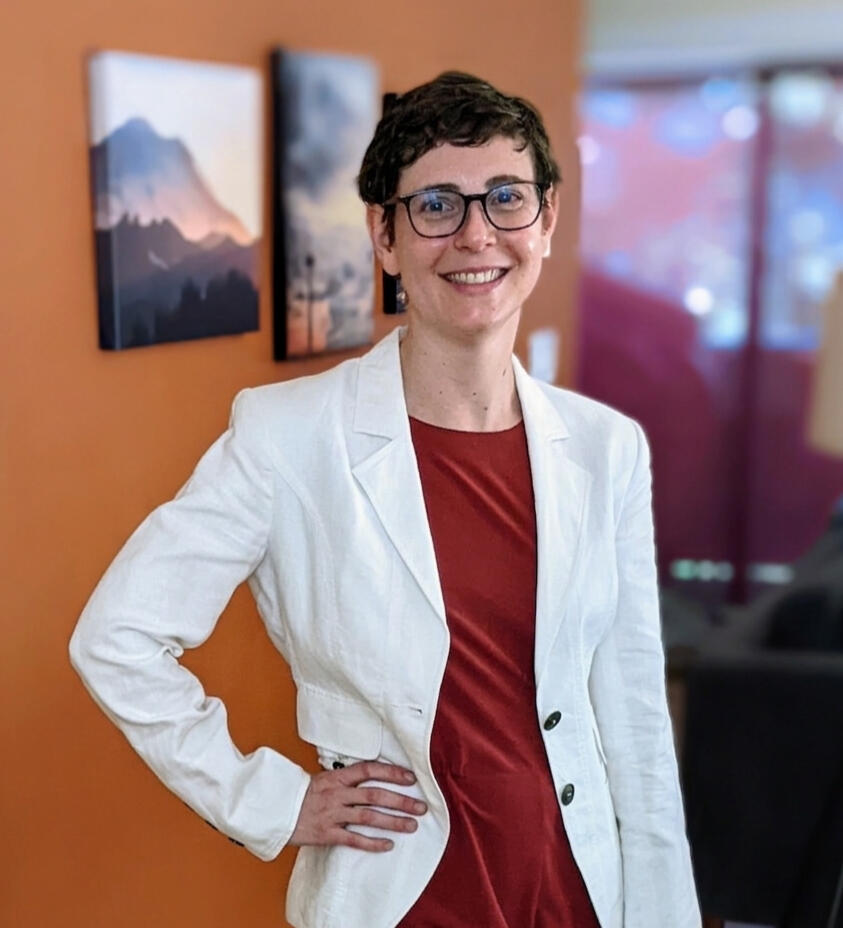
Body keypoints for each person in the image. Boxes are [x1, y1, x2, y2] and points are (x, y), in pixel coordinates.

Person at [70, 72, 701, 928]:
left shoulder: (605, 447)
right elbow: (117, 639)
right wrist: (270, 802)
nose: (475, 234)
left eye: (505, 199)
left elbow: (632, 721)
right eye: (436, 204)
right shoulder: (285, 435)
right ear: (385, 236)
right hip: (401, 901)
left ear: (545, 220)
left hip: (579, 895)